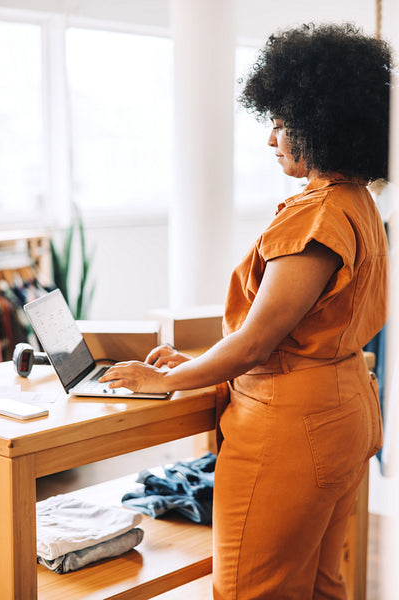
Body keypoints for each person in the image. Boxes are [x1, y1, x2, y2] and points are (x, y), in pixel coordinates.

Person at [100, 23, 392, 599]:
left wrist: (166, 381)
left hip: (291, 428)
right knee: (320, 586)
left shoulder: (316, 216)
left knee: (250, 590)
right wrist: (197, 363)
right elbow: (292, 331)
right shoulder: (359, 203)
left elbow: (257, 343)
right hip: (343, 409)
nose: (271, 138)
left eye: (281, 122)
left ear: (319, 121)